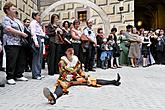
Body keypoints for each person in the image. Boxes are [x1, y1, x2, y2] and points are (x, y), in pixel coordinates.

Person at [43, 45, 121, 105]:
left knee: (92, 80)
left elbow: (80, 71)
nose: (71, 52)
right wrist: (71, 71)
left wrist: (84, 76)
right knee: (61, 86)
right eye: (69, 50)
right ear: (66, 52)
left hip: (75, 78)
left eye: (72, 50)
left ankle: (113, 81)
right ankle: (53, 97)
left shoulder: (76, 60)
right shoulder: (62, 62)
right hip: (66, 78)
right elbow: (62, 72)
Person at [2, 2, 28, 85]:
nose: (15, 10)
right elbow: (8, 29)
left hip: (19, 42)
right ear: (7, 10)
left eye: (15, 9)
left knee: (21, 59)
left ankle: (19, 75)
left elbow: (23, 28)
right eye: (13, 9)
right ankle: (10, 77)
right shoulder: (6, 19)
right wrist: (21, 33)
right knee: (11, 60)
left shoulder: (17, 20)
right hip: (10, 42)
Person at [29, 11, 45, 80]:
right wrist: (36, 42)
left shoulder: (37, 23)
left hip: (40, 39)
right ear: (34, 16)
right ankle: (35, 74)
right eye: (38, 15)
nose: (39, 17)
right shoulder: (33, 23)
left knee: (40, 58)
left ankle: (38, 73)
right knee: (36, 58)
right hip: (37, 39)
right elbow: (33, 33)